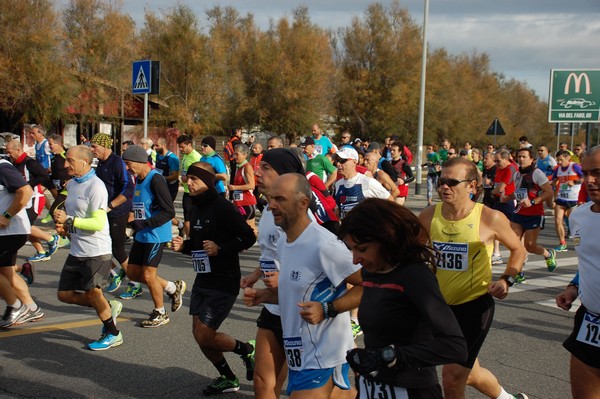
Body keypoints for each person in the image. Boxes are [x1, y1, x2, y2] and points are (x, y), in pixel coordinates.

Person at [244, 173, 363, 399]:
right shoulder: (284, 242)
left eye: (280, 199)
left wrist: (328, 309)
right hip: (299, 353)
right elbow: (298, 292)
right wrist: (264, 296)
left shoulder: (324, 244)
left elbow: (368, 285)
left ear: (303, 203)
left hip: (324, 353)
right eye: (270, 199)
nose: (271, 206)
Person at [418, 157, 528, 399]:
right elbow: (412, 254)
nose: (444, 187)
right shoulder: (428, 216)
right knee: (471, 374)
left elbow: (519, 250)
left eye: (452, 182)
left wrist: (506, 280)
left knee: (452, 377)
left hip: (474, 307)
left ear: (472, 186)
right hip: (439, 308)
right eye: (441, 181)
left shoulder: (490, 218)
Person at [339, 198, 467, 399]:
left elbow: (455, 346)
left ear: (385, 239)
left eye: (362, 249)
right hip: (373, 387)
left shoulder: (414, 275)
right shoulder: (370, 273)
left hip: (412, 390)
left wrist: (393, 356)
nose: (355, 259)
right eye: (351, 249)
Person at [171, 162, 256, 395]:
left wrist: (221, 248)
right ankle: (228, 378)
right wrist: (184, 246)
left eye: (194, 180)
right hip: (204, 279)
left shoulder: (223, 207)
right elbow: (199, 245)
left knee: (205, 335)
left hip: (224, 281)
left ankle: (246, 349)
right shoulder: (196, 206)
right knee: (199, 335)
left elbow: (248, 237)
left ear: (207, 182)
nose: (188, 183)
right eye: (188, 179)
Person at [53, 145, 123, 350]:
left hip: (96, 250)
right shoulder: (73, 184)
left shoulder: (96, 186)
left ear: (85, 162)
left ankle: (113, 333)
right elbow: (73, 217)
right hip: (77, 249)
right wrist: (64, 227)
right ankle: (107, 307)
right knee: (64, 295)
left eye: (71, 161)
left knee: (93, 292)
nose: (66, 164)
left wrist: (69, 220)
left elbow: (98, 223)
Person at [121, 145, 185, 328]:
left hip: (156, 234)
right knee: (133, 272)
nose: (127, 168)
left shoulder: (155, 179)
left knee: (149, 275)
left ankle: (160, 312)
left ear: (141, 162)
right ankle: (172, 287)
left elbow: (169, 211)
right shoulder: (138, 179)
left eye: (129, 164)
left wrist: (145, 223)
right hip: (142, 233)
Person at [555, 145, 600, 399]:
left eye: (598, 173)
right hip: (591, 322)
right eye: (585, 173)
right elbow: (589, 261)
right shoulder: (579, 216)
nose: (589, 180)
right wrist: (574, 286)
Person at [90, 133, 139, 300]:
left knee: (117, 249)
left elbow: (128, 188)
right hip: (104, 211)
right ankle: (116, 272)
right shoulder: (101, 163)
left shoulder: (117, 162)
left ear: (104, 146)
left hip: (117, 211)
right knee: (99, 245)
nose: (92, 149)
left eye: (94, 146)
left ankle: (135, 283)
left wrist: (111, 206)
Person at [0, 160, 45, 328]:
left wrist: (6, 216)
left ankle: (15, 306)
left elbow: (25, 191)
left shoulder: (2, 168)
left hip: (11, 231)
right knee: (7, 272)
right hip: (7, 233)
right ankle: (32, 309)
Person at [506, 147, 556, 281]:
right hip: (519, 213)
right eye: (519, 157)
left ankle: (548, 254)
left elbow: (549, 192)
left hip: (534, 214)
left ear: (532, 159)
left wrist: (533, 201)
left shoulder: (537, 173)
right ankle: (519, 272)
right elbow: (519, 192)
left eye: (524, 157)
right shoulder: (517, 174)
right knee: (515, 245)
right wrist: (507, 197)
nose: (521, 159)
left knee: (530, 246)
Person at [5, 140, 59, 262]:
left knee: (25, 225)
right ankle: (41, 251)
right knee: (24, 227)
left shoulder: (30, 162)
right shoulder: (14, 164)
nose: (8, 155)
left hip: (35, 198)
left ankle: (51, 239)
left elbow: (44, 176)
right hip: (23, 200)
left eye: (9, 152)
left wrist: (27, 184)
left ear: (18, 150)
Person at [334, 146, 393, 220]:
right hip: (347, 230)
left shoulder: (367, 182)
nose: (338, 164)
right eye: (337, 161)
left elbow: (390, 201)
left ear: (354, 162)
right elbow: (338, 210)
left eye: (342, 160)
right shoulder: (338, 184)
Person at [551, 149, 583, 252]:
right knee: (557, 219)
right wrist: (553, 183)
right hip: (561, 198)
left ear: (568, 158)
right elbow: (554, 180)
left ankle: (580, 242)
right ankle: (562, 243)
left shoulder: (574, 166)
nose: (559, 162)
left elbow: (584, 178)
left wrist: (575, 181)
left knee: (573, 222)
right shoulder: (557, 169)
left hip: (573, 199)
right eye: (558, 160)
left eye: (561, 160)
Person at [227, 144, 258, 235]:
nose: (234, 157)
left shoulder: (247, 167)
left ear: (245, 155)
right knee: (249, 229)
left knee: (245, 229)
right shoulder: (239, 167)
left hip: (246, 203)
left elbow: (251, 185)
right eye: (234, 154)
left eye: (237, 154)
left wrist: (235, 187)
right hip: (239, 202)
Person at [176, 134, 201, 237]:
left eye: (182, 147)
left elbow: (200, 174)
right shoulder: (185, 156)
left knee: (195, 217)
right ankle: (189, 238)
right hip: (187, 191)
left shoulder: (196, 157)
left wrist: (188, 178)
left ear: (189, 145)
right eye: (179, 147)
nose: (181, 149)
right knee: (187, 216)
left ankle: (195, 237)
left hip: (195, 192)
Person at [154, 137, 180, 202]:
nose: (155, 147)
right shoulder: (157, 155)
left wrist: (162, 178)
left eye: (157, 145)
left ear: (164, 146)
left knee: (167, 206)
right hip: (160, 185)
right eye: (155, 145)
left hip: (170, 187)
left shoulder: (171, 158)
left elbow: (175, 176)